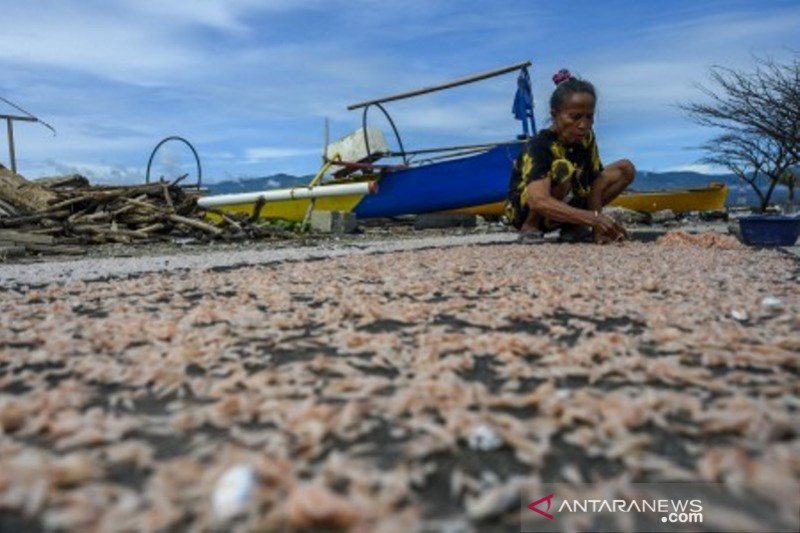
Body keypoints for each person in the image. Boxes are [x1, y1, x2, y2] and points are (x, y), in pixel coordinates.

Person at [505, 69, 635, 244]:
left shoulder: (586, 138)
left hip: (565, 206)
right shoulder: (540, 145)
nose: (583, 125)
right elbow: (538, 200)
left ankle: (573, 227)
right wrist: (592, 218)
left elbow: (595, 183)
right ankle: (530, 227)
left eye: (589, 117)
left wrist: (597, 228)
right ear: (555, 115)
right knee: (562, 168)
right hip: (528, 210)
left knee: (625, 169)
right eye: (575, 117)